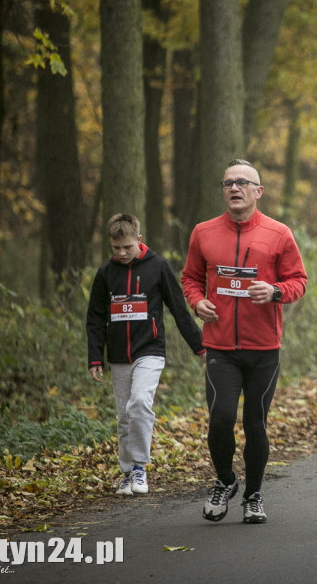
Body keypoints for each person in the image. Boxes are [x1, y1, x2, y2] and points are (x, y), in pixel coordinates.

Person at [182, 159, 308, 524]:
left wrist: (274, 291)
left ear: (258, 191)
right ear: (223, 191)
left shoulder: (279, 233)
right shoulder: (203, 232)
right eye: (228, 183)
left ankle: (254, 495)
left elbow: (298, 280)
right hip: (220, 346)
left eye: (242, 183)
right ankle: (224, 481)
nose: (234, 188)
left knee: (255, 423)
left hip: (264, 349)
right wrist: (196, 301)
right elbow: (190, 278)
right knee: (220, 419)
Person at [86, 213, 205, 497]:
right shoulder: (106, 274)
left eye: (127, 247)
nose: (122, 253)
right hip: (118, 355)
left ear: (139, 240)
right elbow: (95, 318)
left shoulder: (158, 267)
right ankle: (126, 473)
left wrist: (200, 347)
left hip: (150, 351)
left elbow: (178, 309)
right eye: (116, 248)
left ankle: (140, 466)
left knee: (139, 403)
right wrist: (94, 357)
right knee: (124, 417)